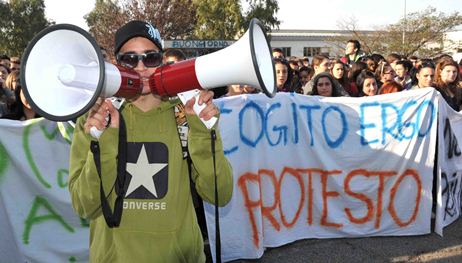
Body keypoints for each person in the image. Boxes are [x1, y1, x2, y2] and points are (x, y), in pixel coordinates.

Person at [68, 20, 233, 262]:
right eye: (130, 59)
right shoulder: (94, 117)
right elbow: (85, 205)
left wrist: (201, 130)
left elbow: (220, 194)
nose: (142, 67)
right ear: (117, 65)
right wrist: (103, 142)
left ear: (163, 60)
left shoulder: (186, 115)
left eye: (151, 58)